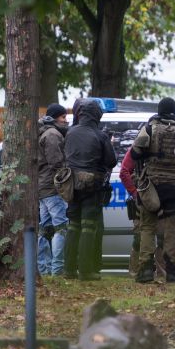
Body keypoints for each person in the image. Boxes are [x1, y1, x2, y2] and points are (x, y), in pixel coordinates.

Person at [130, 97, 175, 283]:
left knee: (147, 227)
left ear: (159, 111)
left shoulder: (149, 129)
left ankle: (145, 269)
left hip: (151, 186)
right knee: (172, 229)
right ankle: (172, 272)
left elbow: (135, 154)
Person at [63, 99, 116, 281]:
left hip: (71, 185)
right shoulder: (99, 135)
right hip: (92, 186)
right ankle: (86, 271)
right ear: (96, 115)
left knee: (73, 226)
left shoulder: (70, 132)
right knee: (88, 227)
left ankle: (69, 270)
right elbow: (111, 161)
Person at [120, 148, 166, 279]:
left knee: (143, 236)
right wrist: (135, 194)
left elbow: (124, 172)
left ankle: (139, 271)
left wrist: (136, 194)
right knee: (157, 236)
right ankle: (158, 273)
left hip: (145, 198)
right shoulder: (171, 141)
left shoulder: (139, 146)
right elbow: (124, 172)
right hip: (159, 197)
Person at [37, 104, 69, 277]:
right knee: (61, 228)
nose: (66, 120)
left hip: (42, 187)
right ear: (55, 118)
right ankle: (57, 269)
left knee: (44, 229)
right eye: (63, 117)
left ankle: (44, 269)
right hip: (52, 188)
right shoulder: (53, 135)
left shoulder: (43, 131)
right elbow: (56, 162)